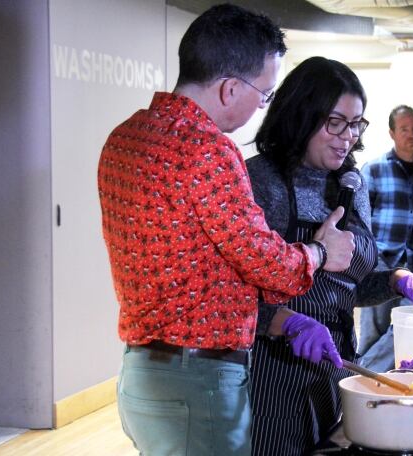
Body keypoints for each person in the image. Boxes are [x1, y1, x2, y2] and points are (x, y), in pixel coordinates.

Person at [97, 6, 355, 456]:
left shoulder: (124, 137)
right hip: (199, 381)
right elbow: (267, 264)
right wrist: (319, 251)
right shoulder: (208, 149)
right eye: (265, 93)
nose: (262, 105)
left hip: (141, 374)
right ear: (230, 87)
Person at [245, 57, 413, 456]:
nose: (347, 137)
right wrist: (285, 323)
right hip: (274, 370)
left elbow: (346, 287)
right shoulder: (260, 181)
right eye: (334, 122)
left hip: (336, 364)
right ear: (300, 115)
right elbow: (230, 297)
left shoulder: (350, 183)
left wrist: (395, 280)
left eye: (356, 124)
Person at [356, 105, 413, 373]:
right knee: (373, 332)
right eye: (404, 129)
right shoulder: (373, 170)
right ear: (392, 133)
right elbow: (360, 218)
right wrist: (367, 254)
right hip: (379, 265)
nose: (411, 134)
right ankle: (368, 387)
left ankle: (361, 373)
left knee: (411, 325)